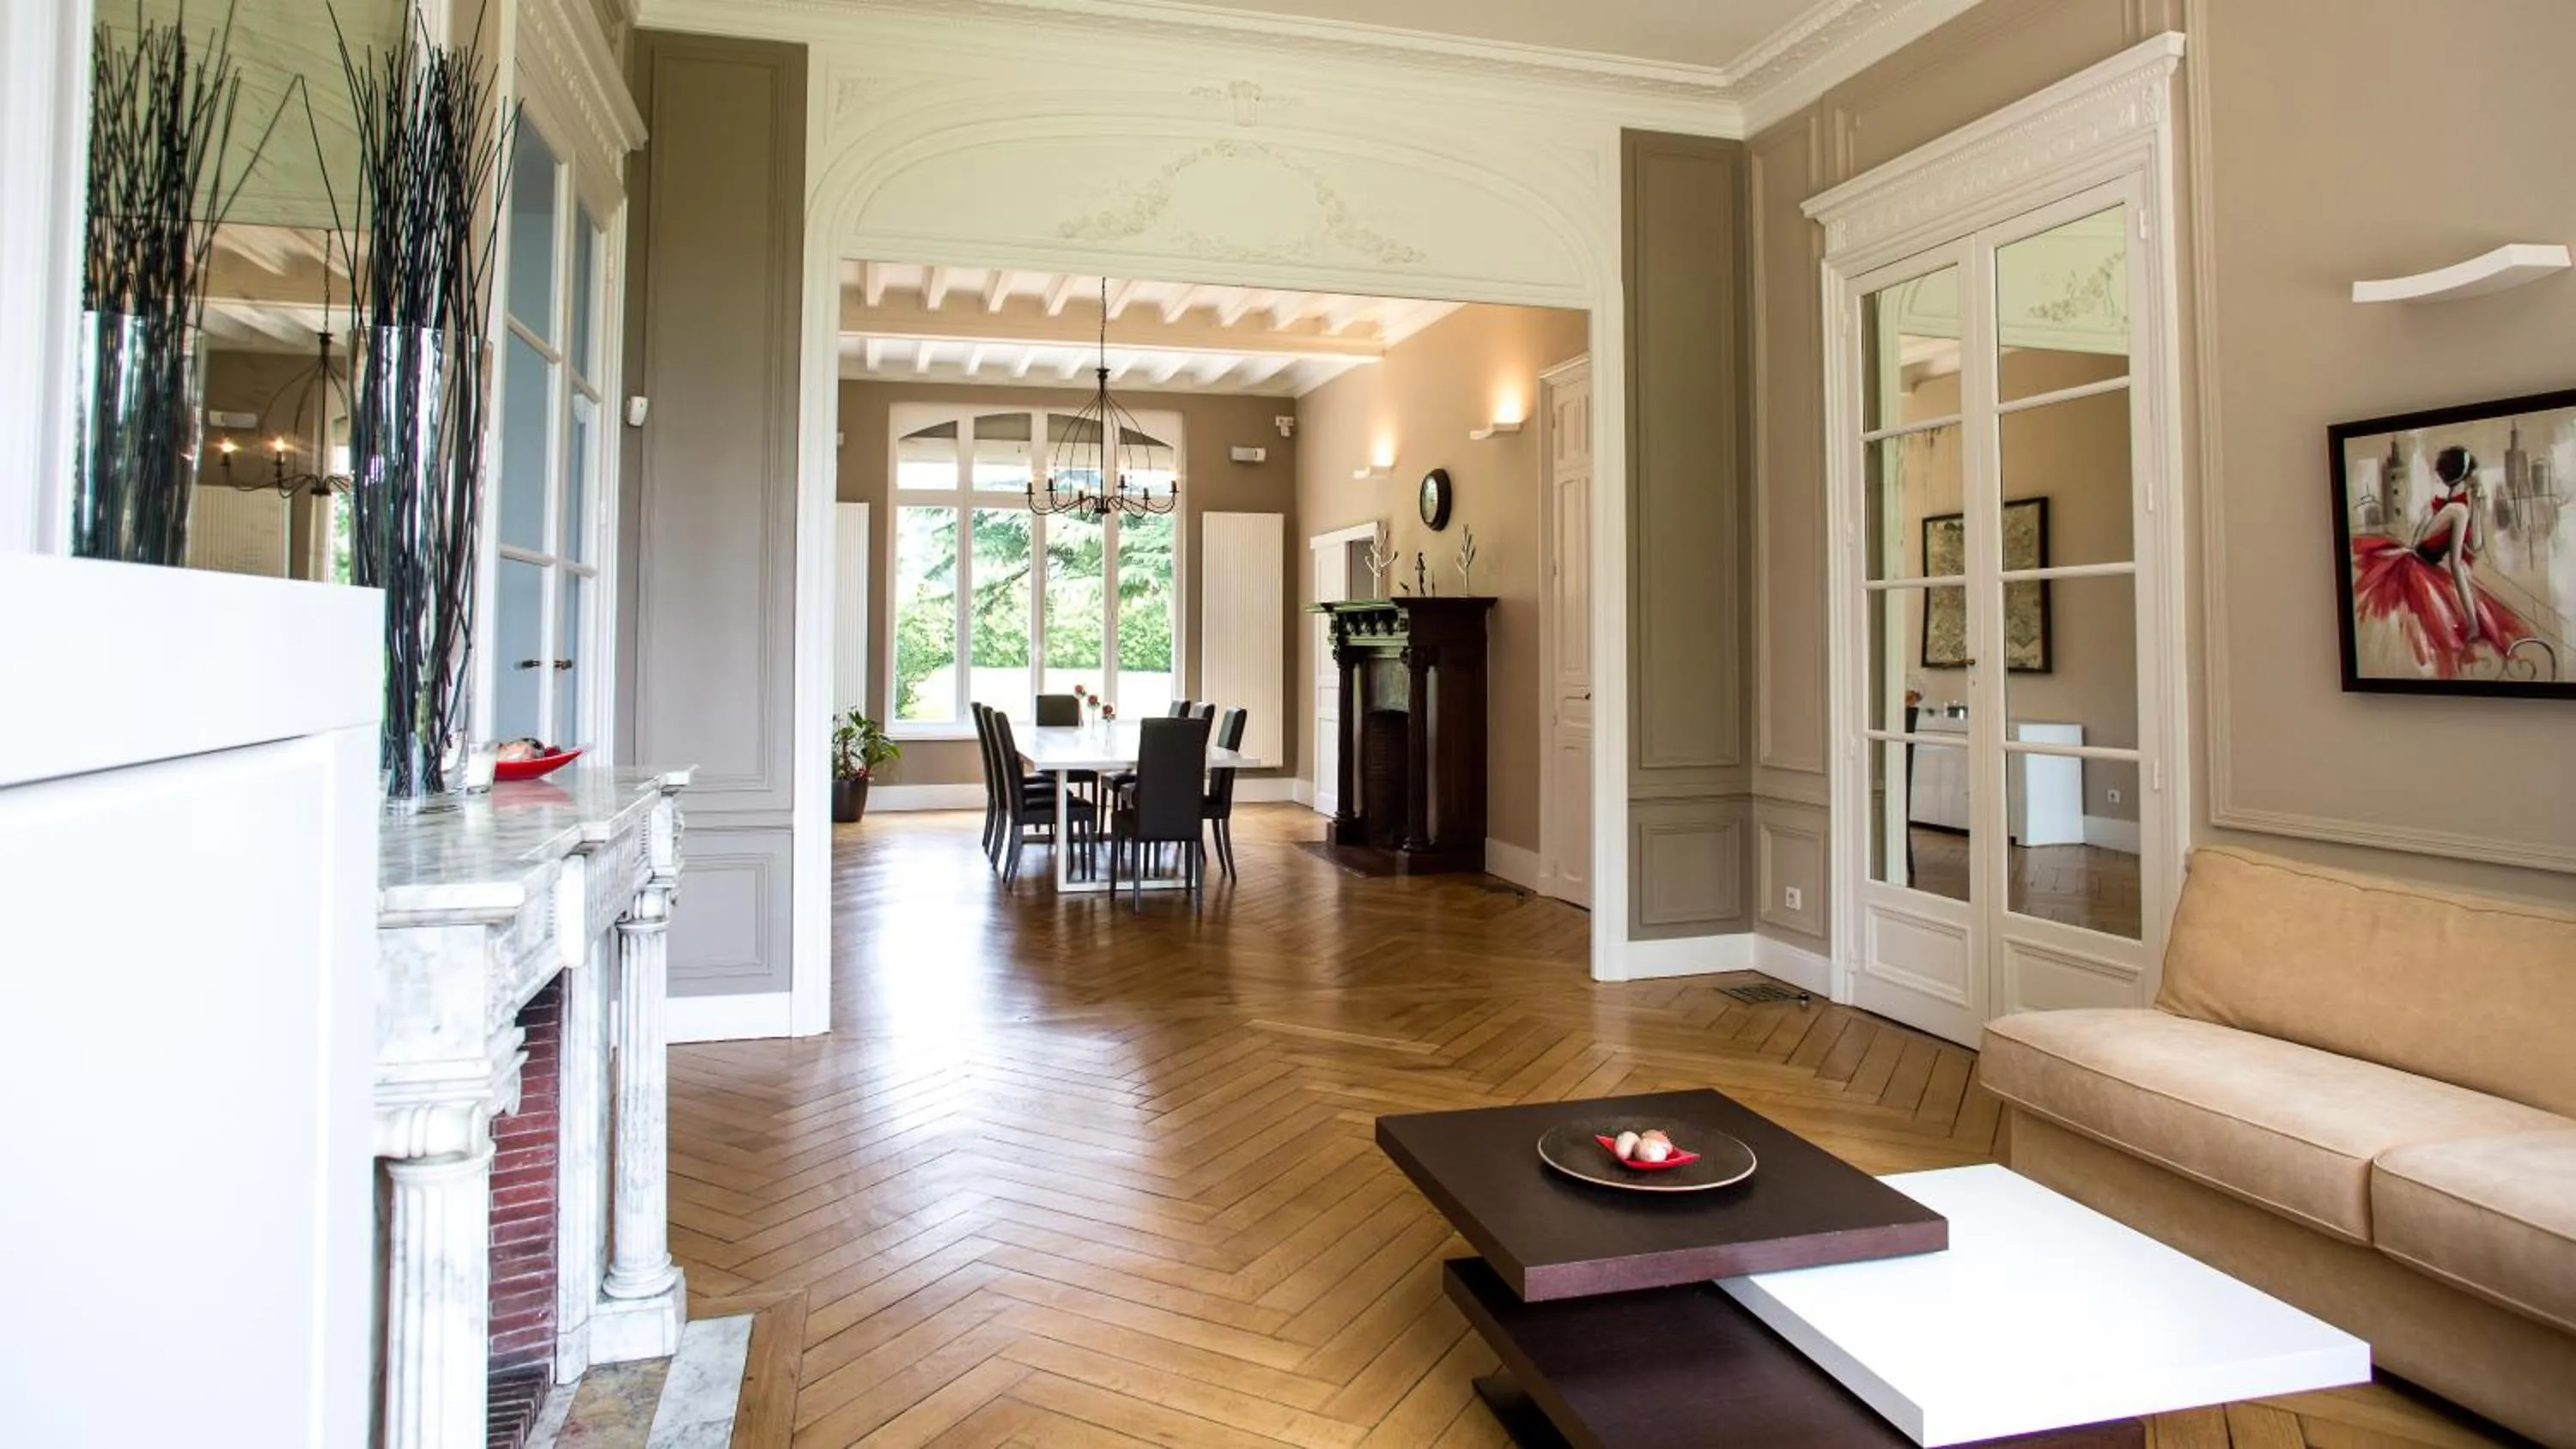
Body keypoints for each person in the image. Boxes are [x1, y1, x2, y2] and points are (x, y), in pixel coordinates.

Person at [2349, 445, 2533, 676]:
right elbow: (2456, 564)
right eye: (2473, 474)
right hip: (2417, 571)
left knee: (2471, 615)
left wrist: (2477, 507)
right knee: (2450, 626)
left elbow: (2475, 546)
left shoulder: (2454, 507)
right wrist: (2471, 619)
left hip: (2425, 567)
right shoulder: (2455, 510)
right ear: (2466, 476)